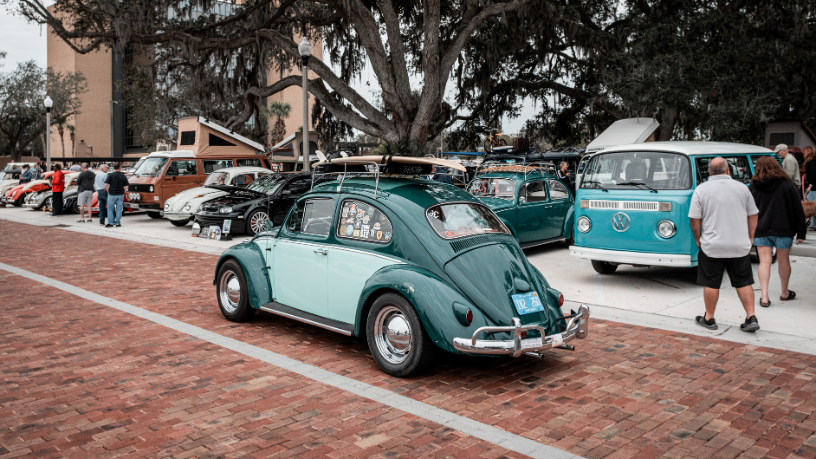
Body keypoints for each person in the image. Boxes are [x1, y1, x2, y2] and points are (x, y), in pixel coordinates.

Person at [689, 157, 760, 332]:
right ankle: (751, 317)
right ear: (728, 170)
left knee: (711, 282)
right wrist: (750, 236)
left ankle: (709, 318)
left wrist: (698, 238)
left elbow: (694, 219)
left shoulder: (701, 190)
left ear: (709, 172)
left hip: (712, 245)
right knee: (743, 281)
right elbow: (753, 214)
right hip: (739, 245)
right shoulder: (742, 189)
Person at [749, 156, 806, 307]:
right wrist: (801, 232)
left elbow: (748, 210)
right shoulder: (788, 184)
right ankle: (784, 292)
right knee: (784, 261)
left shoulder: (753, 186)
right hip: (784, 228)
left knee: (764, 262)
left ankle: (764, 297)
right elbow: (798, 210)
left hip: (761, 229)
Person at [104, 162, 128, 227]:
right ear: (120, 168)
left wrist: (108, 191)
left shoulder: (110, 175)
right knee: (119, 209)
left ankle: (110, 223)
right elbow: (126, 186)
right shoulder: (123, 176)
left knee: (110, 209)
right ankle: (117, 223)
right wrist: (124, 192)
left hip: (112, 194)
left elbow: (106, 184)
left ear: (114, 168)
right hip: (120, 194)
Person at [804, 146, 816, 231]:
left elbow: (814, 174)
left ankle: (813, 225)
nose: (803, 155)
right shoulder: (814, 162)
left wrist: (810, 185)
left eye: (804, 153)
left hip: (813, 187)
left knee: (811, 206)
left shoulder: (810, 163)